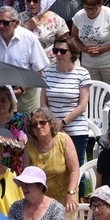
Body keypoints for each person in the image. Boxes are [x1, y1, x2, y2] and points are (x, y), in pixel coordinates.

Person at [0, 5, 49, 114]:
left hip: (25, 92)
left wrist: (22, 89)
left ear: (16, 23)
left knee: (27, 125)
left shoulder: (29, 38)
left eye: (5, 23)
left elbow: (39, 70)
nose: (1, 26)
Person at [41, 33, 92, 166]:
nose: (58, 54)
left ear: (72, 53)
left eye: (62, 51)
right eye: (55, 50)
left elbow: (82, 106)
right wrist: (53, 124)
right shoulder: (48, 72)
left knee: (76, 168)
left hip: (76, 128)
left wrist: (62, 123)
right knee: (55, 167)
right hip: (52, 127)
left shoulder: (82, 73)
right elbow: (43, 103)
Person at [22, 107, 80, 212]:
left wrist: (71, 193)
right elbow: (25, 176)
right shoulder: (29, 146)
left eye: (42, 122)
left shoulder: (64, 140)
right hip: (40, 201)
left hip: (65, 199)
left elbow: (74, 170)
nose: (39, 126)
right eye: (34, 125)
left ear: (51, 123)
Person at [71, 0, 110, 93]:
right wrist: (84, 49)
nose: (90, 11)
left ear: (101, 3)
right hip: (89, 63)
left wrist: (103, 48)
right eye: (87, 8)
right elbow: (74, 38)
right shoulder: (79, 16)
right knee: (93, 95)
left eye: (94, 8)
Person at [18, 0, 69, 65]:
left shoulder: (56, 20)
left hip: (51, 64)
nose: (31, 4)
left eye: (35, 1)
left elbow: (66, 43)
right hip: (27, 63)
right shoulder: (20, 18)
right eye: (29, 0)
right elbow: (13, 39)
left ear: (44, 2)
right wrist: (28, 26)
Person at [0, 85, 27, 173]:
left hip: (18, 168)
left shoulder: (22, 119)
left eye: (3, 100)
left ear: (10, 102)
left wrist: (22, 145)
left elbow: (32, 141)